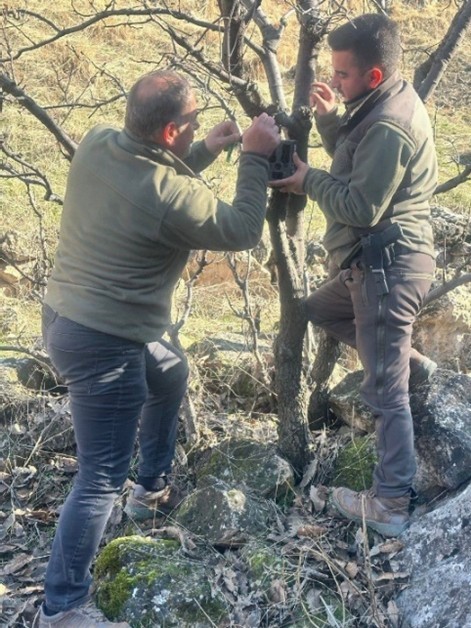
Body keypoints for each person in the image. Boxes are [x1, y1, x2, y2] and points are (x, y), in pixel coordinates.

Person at [35, 69, 280, 627]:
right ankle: (62, 607)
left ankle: (151, 488)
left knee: (168, 372)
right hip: (105, 344)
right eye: (193, 123)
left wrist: (208, 152)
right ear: (171, 133)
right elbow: (242, 229)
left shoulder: (98, 144)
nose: (198, 129)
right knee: (99, 474)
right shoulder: (172, 194)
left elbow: (152, 191)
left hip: (66, 319)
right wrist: (253, 157)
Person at [271, 14, 437, 537]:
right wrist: (326, 124)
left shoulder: (389, 123)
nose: (334, 82)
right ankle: (408, 361)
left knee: (384, 391)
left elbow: (362, 205)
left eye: (342, 75)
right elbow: (359, 160)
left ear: (373, 74)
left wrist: (306, 180)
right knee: (318, 309)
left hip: (386, 266)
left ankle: (390, 503)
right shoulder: (380, 101)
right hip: (370, 265)